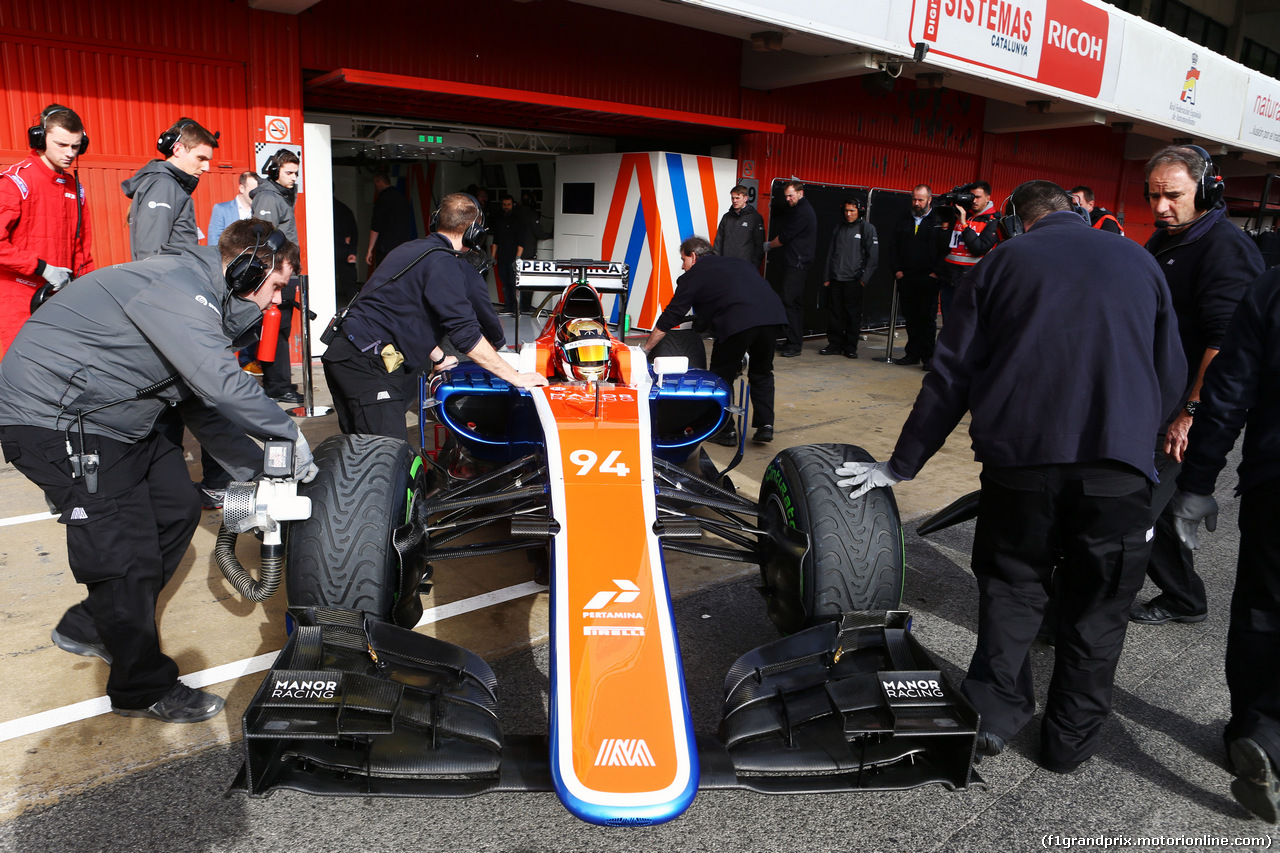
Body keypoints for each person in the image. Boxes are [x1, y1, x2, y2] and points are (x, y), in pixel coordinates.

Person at [836, 181, 1184, 774]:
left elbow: (950, 375)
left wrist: (901, 465)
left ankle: (994, 712)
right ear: (1077, 210)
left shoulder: (1000, 264)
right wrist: (1141, 447)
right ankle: (1068, 744)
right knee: (1097, 606)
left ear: (1020, 221)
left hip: (1019, 465)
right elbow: (1169, 374)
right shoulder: (1141, 261)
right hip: (1116, 470)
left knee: (1012, 585)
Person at [0, 219, 310, 724]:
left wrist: (265, 471)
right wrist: (288, 435)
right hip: (54, 418)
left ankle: (93, 625)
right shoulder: (179, 287)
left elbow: (203, 406)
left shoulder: (202, 299)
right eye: (275, 286)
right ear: (248, 268)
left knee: (176, 507)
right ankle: (140, 687)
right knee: (125, 552)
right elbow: (221, 381)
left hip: (114, 418)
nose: (274, 303)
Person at [1130, 145, 1265, 627]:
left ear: (1207, 191)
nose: (1161, 206)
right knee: (1158, 507)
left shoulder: (1225, 250)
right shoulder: (1170, 239)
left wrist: (1188, 412)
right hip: (1160, 400)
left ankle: (1082, 612)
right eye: (1154, 196)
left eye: (1173, 195)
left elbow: (1224, 342)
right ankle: (1184, 598)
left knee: (1132, 509)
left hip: (1188, 410)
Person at [1169, 264, 1280, 823]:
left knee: (1263, 607)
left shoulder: (1273, 286)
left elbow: (1231, 389)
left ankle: (1257, 730)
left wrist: (1197, 484)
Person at [322, 193, 547, 439]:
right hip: (366, 363)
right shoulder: (444, 263)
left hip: (344, 353)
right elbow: (467, 337)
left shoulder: (409, 250)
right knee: (388, 458)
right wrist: (515, 377)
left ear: (435, 221)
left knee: (360, 453)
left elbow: (400, 314)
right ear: (474, 233)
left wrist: (439, 357)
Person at [642, 236, 786, 445]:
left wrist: (645, 349)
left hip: (737, 321)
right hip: (772, 316)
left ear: (693, 256)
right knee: (762, 371)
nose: (683, 267)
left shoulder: (694, 275)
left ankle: (725, 431)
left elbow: (671, 316)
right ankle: (765, 425)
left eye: (683, 260)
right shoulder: (739, 263)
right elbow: (734, 293)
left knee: (721, 376)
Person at [0, 104, 93, 356]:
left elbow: (81, 249)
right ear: (40, 139)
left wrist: (88, 290)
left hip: (60, 298)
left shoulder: (75, 189)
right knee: (23, 373)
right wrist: (43, 268)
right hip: (17, 297)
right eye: (62, 145)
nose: (69, 153)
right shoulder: (16, 183)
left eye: (75, 146)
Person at [122, 118, 218, 260]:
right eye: (201, 158)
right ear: (177, 149)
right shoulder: (163, 186)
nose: (206, 167)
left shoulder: (173, 186)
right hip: (167, 280)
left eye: (208, 160)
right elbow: (150, 255)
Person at [251, 148, 303, 404]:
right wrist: (273, 284)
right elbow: (264, 245)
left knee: (281, 331)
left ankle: (280, 382)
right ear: (274, 171)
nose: (294, 177)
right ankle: (276, 385)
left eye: (296, 172)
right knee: (275, 329)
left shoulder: (281, 196)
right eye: (289, 172)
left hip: (285, 274)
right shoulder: (269, 198)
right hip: (276, 277)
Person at [891, 184, 949, 369]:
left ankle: (928, 357)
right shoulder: (904, 218)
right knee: (911, 317)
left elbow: (946, 249)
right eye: (914, 199)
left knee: (926, 319)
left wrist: (935, 272)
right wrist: (897, 270)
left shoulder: (939, 220)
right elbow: (893, 246)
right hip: (907, 277)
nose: (916, 203)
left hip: (929, 278)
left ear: (930, 200)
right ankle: (912, 354)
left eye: (920, 200)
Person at [820, 198, 878, 359]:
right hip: (836, 278)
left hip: (854, 280)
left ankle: (850, 347)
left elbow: (873, 258)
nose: (849, 214)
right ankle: (834, 344)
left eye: (852, 210)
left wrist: (863, 280)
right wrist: (827, 277)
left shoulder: (867, 228)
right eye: (846, 210)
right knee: (835, 314)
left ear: (860, 211)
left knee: (852, 315)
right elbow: (830, 253)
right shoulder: (839, 227)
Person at [766, 180, 817, 357]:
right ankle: (791, 340)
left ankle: (794, 344)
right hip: (796, 261)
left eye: (791, 195)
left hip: (798, 263)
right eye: (786, 195)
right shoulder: (800, 209)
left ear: (800, 193)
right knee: (793, 303)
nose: (788, 199)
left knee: (789, 302)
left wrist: (768, 246)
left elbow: (785, 236)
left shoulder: (802, 212)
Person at [941, 180, 998, 318]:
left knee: (966, 324)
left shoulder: (993, 220)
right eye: (971, 197)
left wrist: (964, 224)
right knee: (948, 322)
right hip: (950, 279)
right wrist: (944, 225)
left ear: (988, 198)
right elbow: (944, 247)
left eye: (978, 197)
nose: (974, 201)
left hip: (973, 281)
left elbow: (980, 248)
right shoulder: (962, 214)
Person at [490, 193, 536, 314]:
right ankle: (508, 306)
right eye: (504, 204)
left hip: (512, 258)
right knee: (505, 284)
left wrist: (518, 257)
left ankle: (517, 308)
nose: (506, 206)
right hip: (502, 257)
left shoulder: (518, 220)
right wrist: (493, 257)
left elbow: (521, 242)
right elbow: (495, 241)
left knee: (514, 284)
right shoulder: (499, 220)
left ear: (513, 205)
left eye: (508, 204)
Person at [366, 172, 414, 271]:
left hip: (386, 248)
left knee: (384, 276)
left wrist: (370, 249)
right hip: (403, 246)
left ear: (379, 183)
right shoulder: (402, 198)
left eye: (375, 185)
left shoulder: (382, 199)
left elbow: (376, 226)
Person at [712, 185, 765, 266]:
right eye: (732, 198)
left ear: (745, 198)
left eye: (737, 198)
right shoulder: (726, 217)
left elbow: (759, 245)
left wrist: (754, 266)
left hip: (744, 266)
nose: (734, 201)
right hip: (726, 264)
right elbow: (718, 241)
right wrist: (717, 261)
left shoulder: (755, 218)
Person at [207, 171, 259, 248]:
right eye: (253, 191)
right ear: (241, 188)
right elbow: (214, 242)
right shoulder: (221, 210)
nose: (256, 194)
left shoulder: (260, 210)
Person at [333, 196, 359, 305]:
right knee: (350, 285)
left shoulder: (322, 208)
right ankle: (357, 309)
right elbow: (354, 232)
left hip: (336, 249)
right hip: (344, 250)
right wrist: (352, 251)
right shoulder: (344, 209)